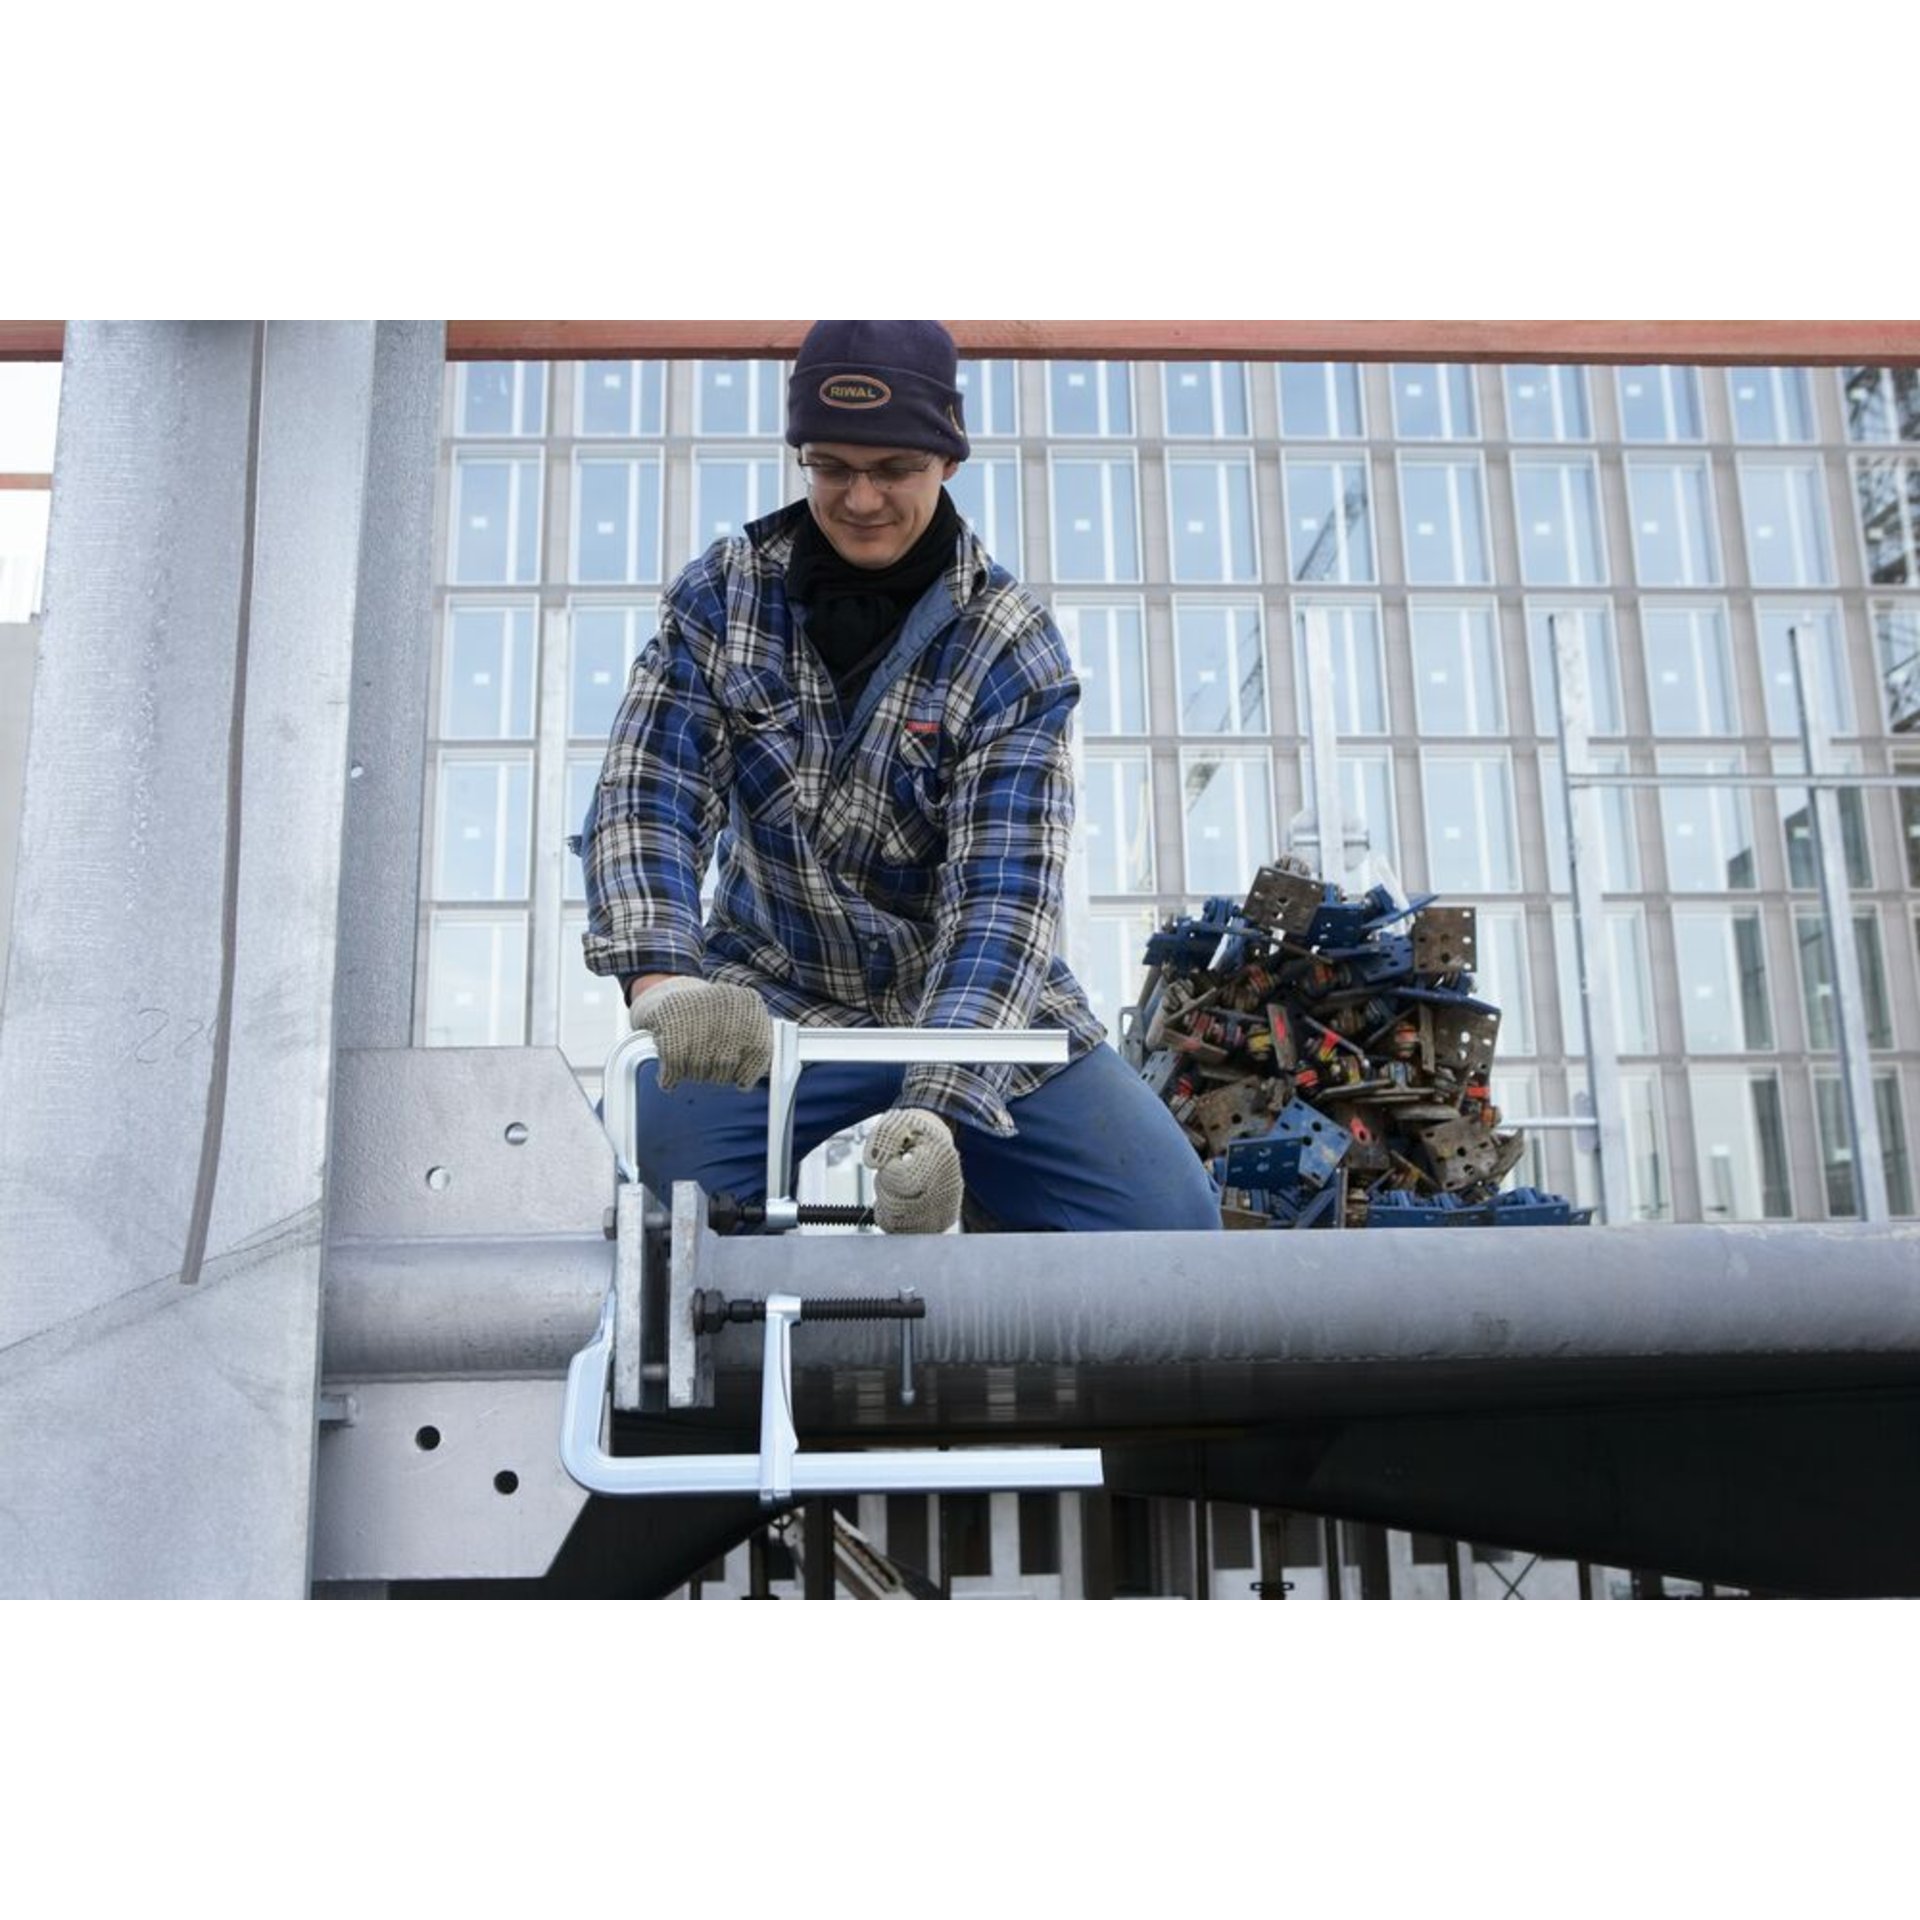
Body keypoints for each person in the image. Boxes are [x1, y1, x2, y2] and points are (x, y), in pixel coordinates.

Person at [582, 320, 1220, 1236]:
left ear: (948, 458)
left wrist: (943, 1105)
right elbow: (649, 793)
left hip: (970, 997)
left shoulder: (1011, 644)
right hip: (772, 989)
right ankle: (735, 1313)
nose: (861, 498)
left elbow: (1002, 900)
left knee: (1166, 1226)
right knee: (638, 1193)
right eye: (832, 468)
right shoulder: (724, 596)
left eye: (894, 469)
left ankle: (993, 1198)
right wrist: (662, 981)